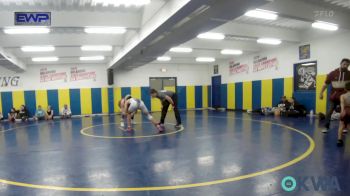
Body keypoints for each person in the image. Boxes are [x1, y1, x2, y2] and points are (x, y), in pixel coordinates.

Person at [320, 58, 350, 133]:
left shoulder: (349, 74)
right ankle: (326, 127)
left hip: (344, 97)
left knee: (345, 112)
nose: (346, 66)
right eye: (344, 64)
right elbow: (325, 84)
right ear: (341, 64)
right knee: (329, 111)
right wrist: (321, 93)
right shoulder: (332, 73)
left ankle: (344, 127)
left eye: (347, 65)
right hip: (334, 96)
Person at [337, 82, 350, 147]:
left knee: (341, 125)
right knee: (348, 125)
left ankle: (339, 140)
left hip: (345, 111)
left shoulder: (342, 96)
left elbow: (342, 104)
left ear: (345, 88)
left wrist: (342, 111)